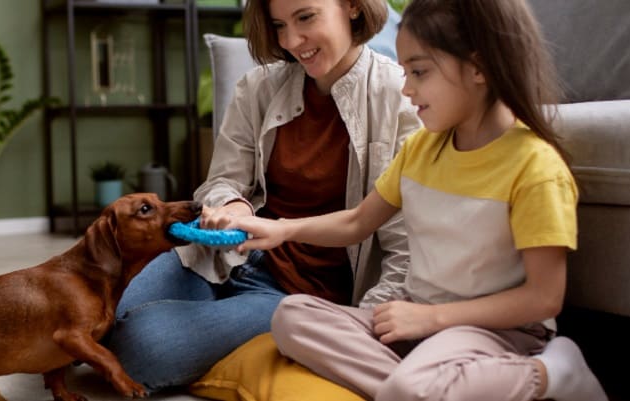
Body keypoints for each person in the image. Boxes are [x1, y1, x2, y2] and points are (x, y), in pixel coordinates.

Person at [230, 0, 608, 400]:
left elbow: (543, 298)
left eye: (420, 72)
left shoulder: (535, 168)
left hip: (493, 331)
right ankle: (428, 388)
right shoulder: (424, 149)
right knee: (291, 318)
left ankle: (549, 373)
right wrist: (280, 230)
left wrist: (432, 318)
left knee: (409, 388)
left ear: (479, 68)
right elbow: (358, 222)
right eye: (406, 72)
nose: (406, 88)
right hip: (417, 318)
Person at [102, 0, 421, 392]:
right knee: (93, 301)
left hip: (295, 294)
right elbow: (220, 182)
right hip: (225, 257)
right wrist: (232, 203)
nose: (290, 40)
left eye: (305, 18)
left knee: (142, 350)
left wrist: (360, 326)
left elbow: (405, 247)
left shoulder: (400, 100)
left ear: (353, 7)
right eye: (278, 25)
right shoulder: (259, 87)